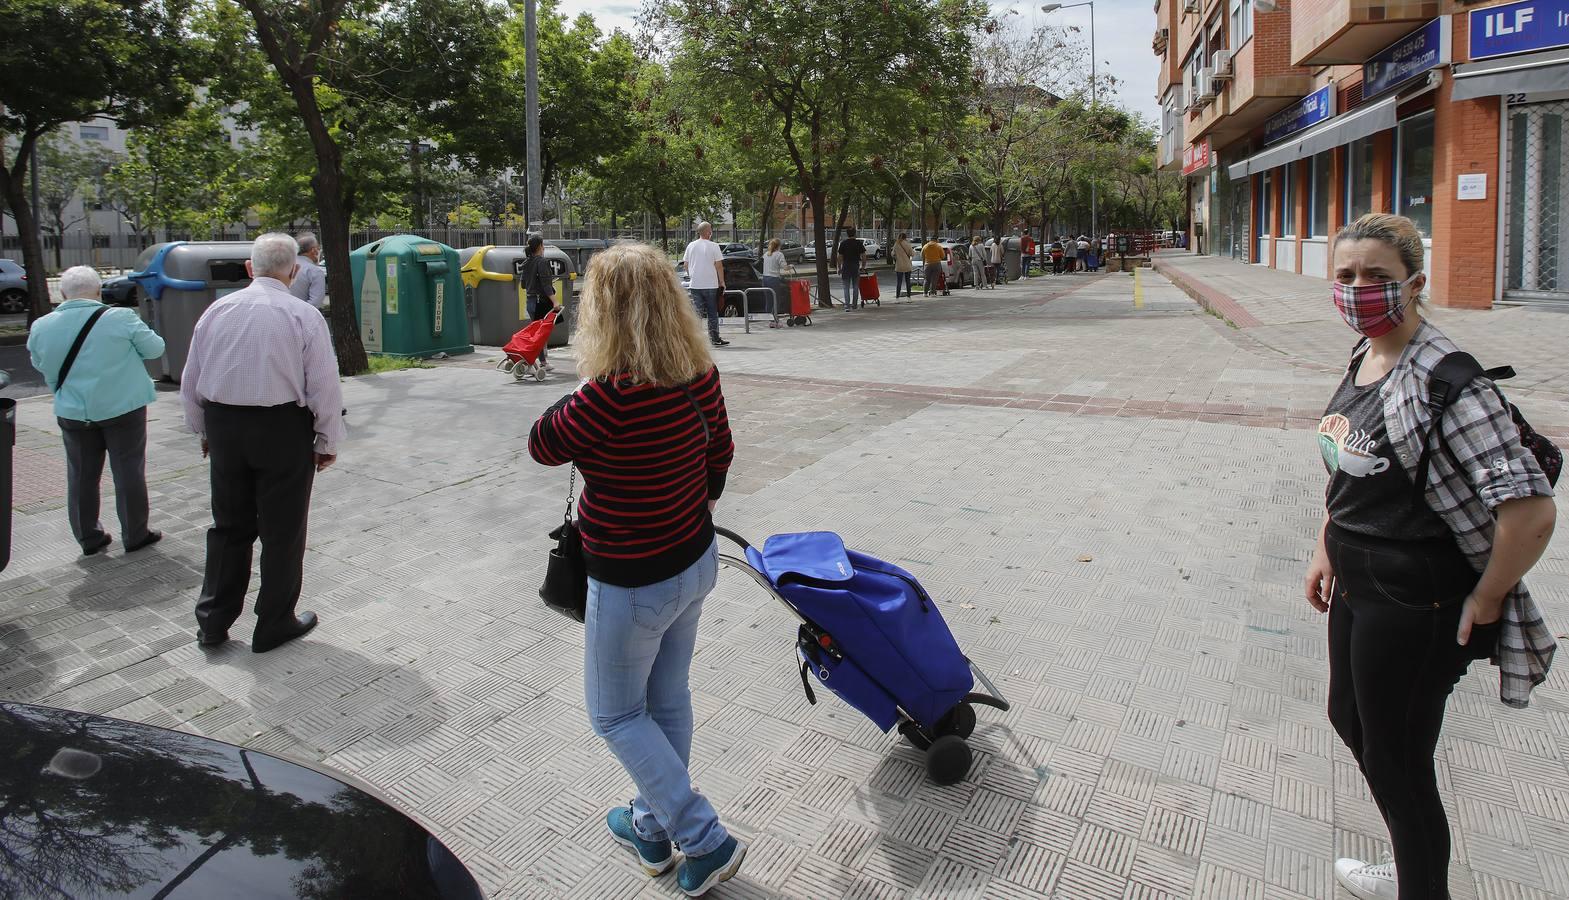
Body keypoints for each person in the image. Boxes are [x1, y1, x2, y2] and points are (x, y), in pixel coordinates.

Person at [1302, 214, 1556, 900]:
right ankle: (1415, 864)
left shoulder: (1448, 382)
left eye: (1377, 278)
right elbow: (1355, 466)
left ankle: (1421, 886)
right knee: (1349, 720)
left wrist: (1490, 594)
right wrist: (1328, 543)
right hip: (1358, 584)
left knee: (1396, 759)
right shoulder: (1367, 353)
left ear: (1413, 284)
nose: (1358, 290)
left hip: (1416, 600)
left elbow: (1529, 510)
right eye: (1346, 276)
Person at [528, 242, 745, 897]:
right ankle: (649, 828)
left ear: (601, 310)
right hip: (694, 560)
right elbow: (721, 456)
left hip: (632, 581)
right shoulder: (697, 373)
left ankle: (703, 839)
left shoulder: (605, 396)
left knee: (616, 716)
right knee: (666, 699)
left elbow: (541, 444)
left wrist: (582, 386)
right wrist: (684, 495)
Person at [181, 233, 345, 653]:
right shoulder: (303, 315)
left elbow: (191, 379)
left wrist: (203, 431)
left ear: (250, 269)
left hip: (224, 426)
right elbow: (323, 386)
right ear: (293, 272)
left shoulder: (216, 310)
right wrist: (327, 439)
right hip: (282, 429)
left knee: (228, 527)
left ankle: (213, 623)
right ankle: (274, 621)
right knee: (283, 529)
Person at [27, 266, 165, 556]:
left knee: (81, 475)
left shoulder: (41, 326)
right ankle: (135, 533)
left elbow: (41, 364)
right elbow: (155, 349)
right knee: (128, 471)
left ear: (62, 293)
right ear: (98, 291)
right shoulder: (121, 318)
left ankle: (89, 537)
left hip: (74, 411)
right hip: (123, 408)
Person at [682, 222, 728, 347]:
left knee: (697, 313)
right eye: (710, 230)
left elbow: (685, 264)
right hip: (710, 284)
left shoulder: (691, 246)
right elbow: (719, 266)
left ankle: (695, 340)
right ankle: (714, 338)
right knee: (712, 312)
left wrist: (691, 274)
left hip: (695, 284)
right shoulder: (714, 246)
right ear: (708, 232)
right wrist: (722, 281)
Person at [520, 234, 557, 372]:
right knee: (540, 334)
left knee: (537, 332)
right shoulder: (542, 262)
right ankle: (537, 362)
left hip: (530, 301)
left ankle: (540, 361)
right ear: (541, 246)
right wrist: (555, 302)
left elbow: (523, 284)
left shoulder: (526, 262)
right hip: (540, 301)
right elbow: (546, 285)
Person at [289, 232, 328, 310]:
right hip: (302, 317)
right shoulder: (314, 271)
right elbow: (315, 303)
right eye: (318, 248)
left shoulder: (283, 266)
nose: (318, 252)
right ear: (313, 250)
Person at [836, 227, 865, 310]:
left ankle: (847, 305)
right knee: (856, 286)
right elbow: (864, 255)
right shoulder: (858, 243)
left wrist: (839, 267)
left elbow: (840, 257)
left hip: (846, 267)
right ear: (855, 233)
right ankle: (855, 305)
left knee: (846, 287)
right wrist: (863, 266)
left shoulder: (843, 243)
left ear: (847, 234)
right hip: (855, 266)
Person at [761, 238, 788, 327]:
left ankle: (770, 320)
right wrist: (790, 266)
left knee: (768, 300)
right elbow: (785, 267)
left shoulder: (766, 254)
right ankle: (775, 321)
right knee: (776, 300)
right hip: (774, 279)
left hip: (765, 279)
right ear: (779, 246)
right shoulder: (779, 255)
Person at [891, 233, 914, 299]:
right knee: (908, 282)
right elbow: (912, 254)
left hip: (899, 265)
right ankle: (908, 297)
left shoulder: (896, 244)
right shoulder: (907, 244)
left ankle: (897, 298)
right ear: (905, 237)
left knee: (899, 282)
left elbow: (892, 254)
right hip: (907, 265)